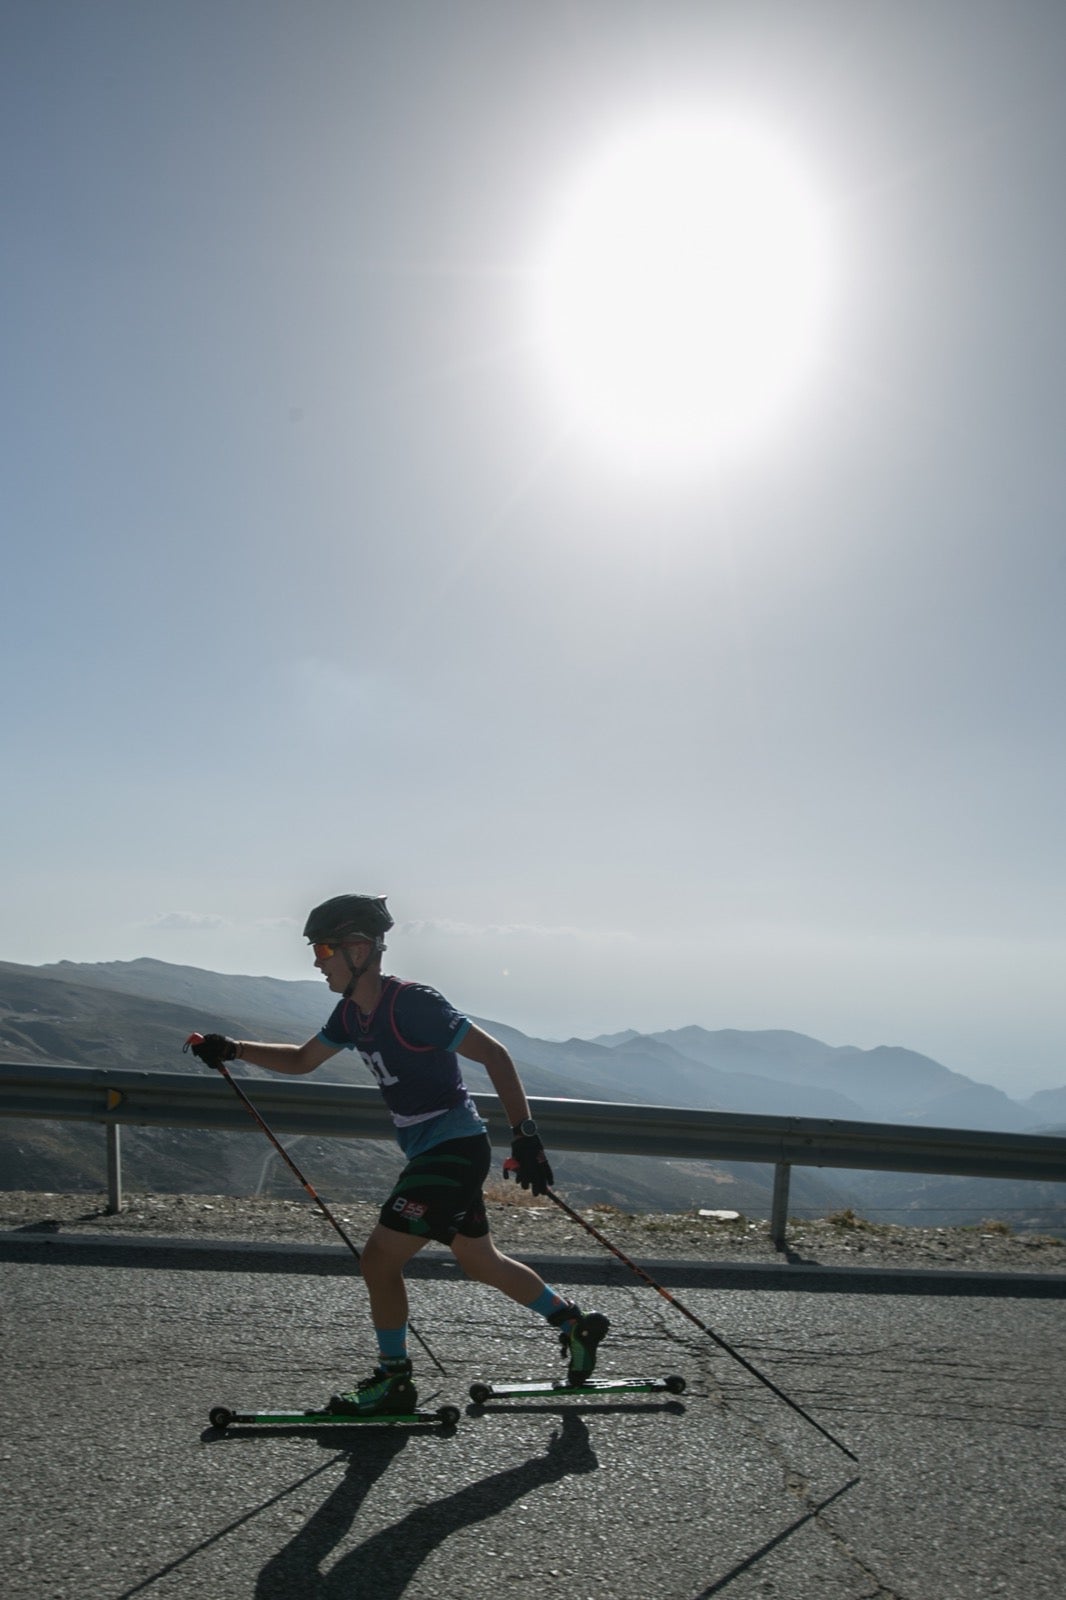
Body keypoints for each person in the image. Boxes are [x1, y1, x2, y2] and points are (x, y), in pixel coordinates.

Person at [188, 892, 609, 1415]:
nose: (316, 962)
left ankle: (394, 1380)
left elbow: (494, 1055)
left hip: (452, 1149)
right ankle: (573, 1324)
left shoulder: (412, 1003)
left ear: (358, 950)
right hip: (435, 1151)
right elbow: (301, 1060)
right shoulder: (350, 1015)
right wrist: (233, 1049)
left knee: (379, 1259)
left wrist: (524, 1135)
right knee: (479, 1261)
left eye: (323, 950)